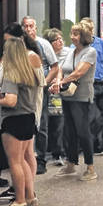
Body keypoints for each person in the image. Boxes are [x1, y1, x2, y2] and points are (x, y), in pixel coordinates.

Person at [0, 36, 43, 206]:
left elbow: (11, 100)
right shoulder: (30, 72)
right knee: (26, 159)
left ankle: (19, 200)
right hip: (29, 117)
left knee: (15, 162)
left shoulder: (11, 74)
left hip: (13, 120)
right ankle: (30, 195)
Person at [52, 23, 97, 181]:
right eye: (71, 33)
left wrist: (60, 82)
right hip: (68, 96)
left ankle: (90, 167)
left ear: (83, 36)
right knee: (69, 130)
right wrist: (58, 80)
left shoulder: (90, 52)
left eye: (76, 34)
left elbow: (79, 72)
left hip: (82, 97)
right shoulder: (71, 52)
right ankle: (71, 164)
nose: (72, 37)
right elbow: (60, 68)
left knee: (83, 131)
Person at [22, 16, 59, 175]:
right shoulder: (19, 45)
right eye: (26, 26)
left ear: (36, 27)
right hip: (24, 90)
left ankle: (41, 159)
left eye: (31, 26)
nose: (29, 29)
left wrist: (44, 83)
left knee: (41, 123)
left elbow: (55, 66)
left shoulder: (44, 44)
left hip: (40, 89)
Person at [80, 18, 103, 155]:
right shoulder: (79, 44)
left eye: (92, 27)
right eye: (87, 28)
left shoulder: (100, 42)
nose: (90, 30)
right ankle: (92, 144)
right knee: (87, 116)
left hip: (102, 83)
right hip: (88, 85)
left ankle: (89, 137)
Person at [43, 28, 69, 166]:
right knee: (44, 123)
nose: (60, 42)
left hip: (57, 93)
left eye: (61, 39)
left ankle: (58, 152)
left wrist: (58, 80)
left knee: (58, 122)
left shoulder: (67, 54)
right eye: (56, 40)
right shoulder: (44, 55)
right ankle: (43, 152)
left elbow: (63, 70)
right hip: (44, 91)